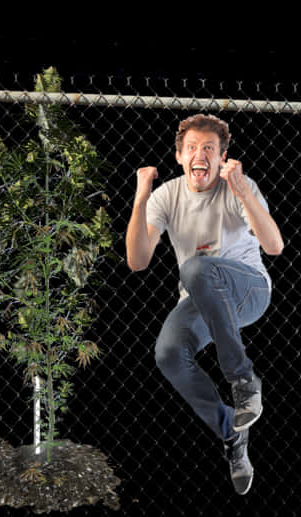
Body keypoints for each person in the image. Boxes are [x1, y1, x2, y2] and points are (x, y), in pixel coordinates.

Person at [125, 114, 284, 495]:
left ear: (222, 156)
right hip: (200, 295)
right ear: (180, 157)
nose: (201, 155)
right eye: (192, 148)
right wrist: (141, 195)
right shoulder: (167, 196)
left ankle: (243, 380)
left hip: (248, 290)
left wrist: (244, 190)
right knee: (168, 355)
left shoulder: (237, 187)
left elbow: (274, 246)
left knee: (196, 269)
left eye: (209, 149)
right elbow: (137, 261)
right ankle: (232, 435)